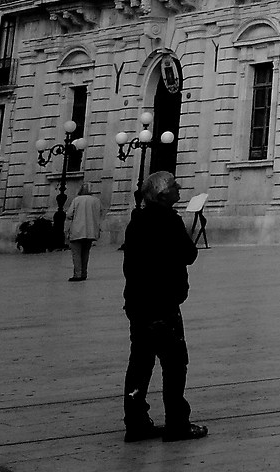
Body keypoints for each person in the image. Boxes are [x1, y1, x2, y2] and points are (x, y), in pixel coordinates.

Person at [122, 170, 205, 443]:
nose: (178, 187)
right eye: (173, 185)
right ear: (161, 194)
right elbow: (189, 254)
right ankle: (177, 423)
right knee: (174, 363)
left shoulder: (137, 221)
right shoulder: (169, 220)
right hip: (163, 304)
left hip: (138, 303)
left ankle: (135, 422)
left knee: (140, 363)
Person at [66, 178, 103, 281]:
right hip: (90, 231)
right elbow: (100, 213)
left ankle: (77, 274)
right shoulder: (96, 201)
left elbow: (69, 215)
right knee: (86, 253)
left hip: (77, 230)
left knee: (76, 253)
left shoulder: (77, 200)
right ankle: (84, 273)